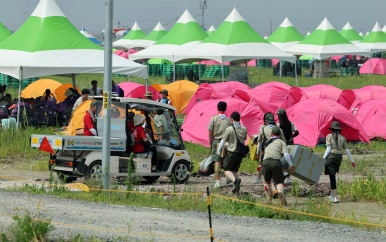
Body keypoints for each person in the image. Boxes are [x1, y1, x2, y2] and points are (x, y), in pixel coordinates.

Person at [322, 121, 355, 203]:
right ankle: (333, 196)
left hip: (331, 157)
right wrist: (352, 161)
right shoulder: (342, 138)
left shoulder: (329, 136)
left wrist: (322, 159)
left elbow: (328, 149)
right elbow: (347, 150)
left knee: (332, 177)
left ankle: (334, 197)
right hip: (339, 158)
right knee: (333, 176)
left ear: (331, 129)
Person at [262, 126, 295, 205]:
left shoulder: (267, 142)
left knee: (267, 182)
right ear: (280, 134)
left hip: (265, 162)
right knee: (279, 182)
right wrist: (291, 165)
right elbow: (286, 155)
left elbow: (262, 152)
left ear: (271, 133)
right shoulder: (281, 142)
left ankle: (268, 198)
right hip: (276, 162)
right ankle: (280, 193)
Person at [217, 111, 247, 194]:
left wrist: (219, 150)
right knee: (234, 170)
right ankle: (237, 188)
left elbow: (223, 141)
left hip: (232, 152)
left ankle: (235, 181)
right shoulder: (244, 129)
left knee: (226, 169)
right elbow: (243, 140)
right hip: (240, 153)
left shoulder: (229, 129)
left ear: (231, 119)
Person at [254, 113, 285, 184]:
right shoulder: (279, 129)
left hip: (265, 149)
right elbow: (283, 141)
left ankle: (258, 179)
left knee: (261, 164)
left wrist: (258, 152)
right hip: (276, 149)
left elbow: (259, 142)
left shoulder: (263, 129)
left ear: (266, 121)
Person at [208, 101, 231, 188]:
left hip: (217, 141)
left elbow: (210, 132)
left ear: (217, 108)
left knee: (217, 162)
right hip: (226, 143)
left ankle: (218, 181)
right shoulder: (228, 120)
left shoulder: (213, 119)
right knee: (226, 161)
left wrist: (210, 142)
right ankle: (228, 178)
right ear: (225, 108)